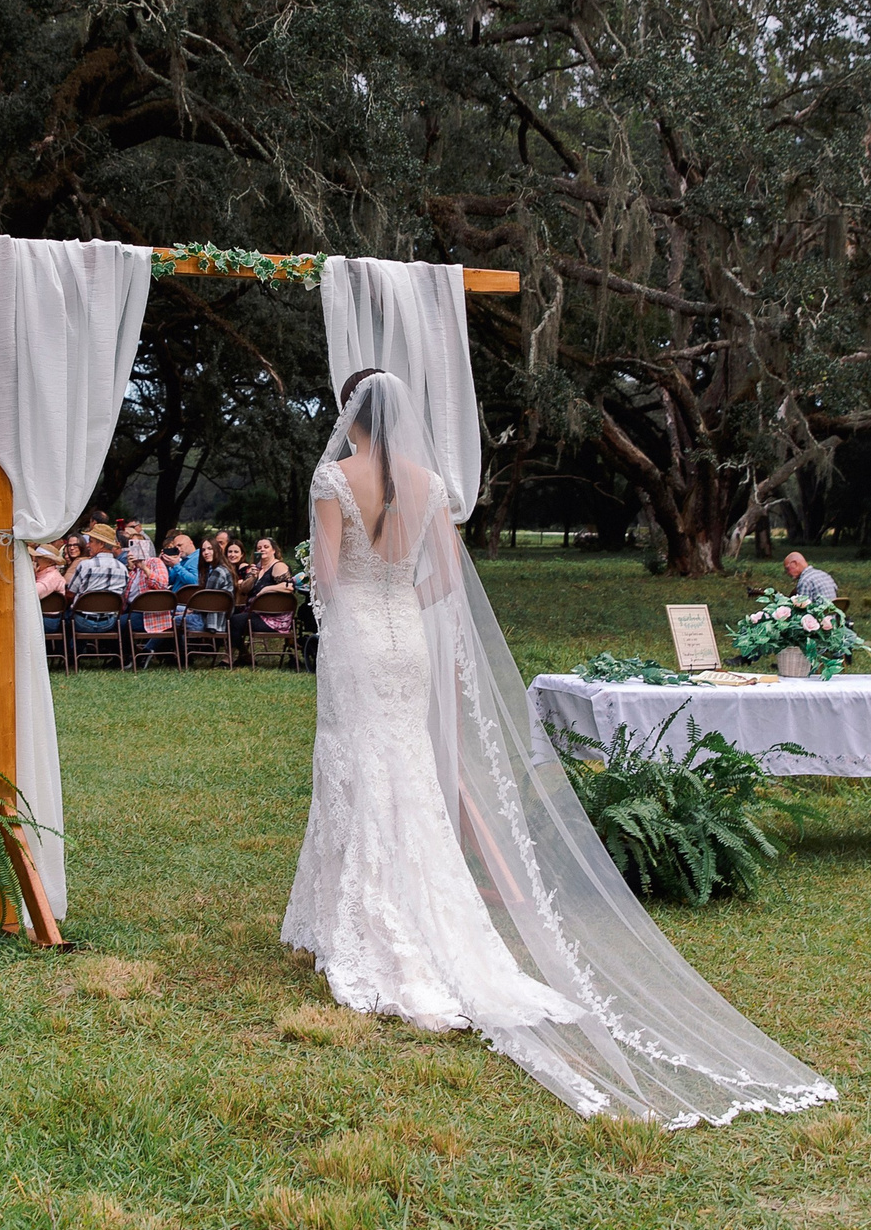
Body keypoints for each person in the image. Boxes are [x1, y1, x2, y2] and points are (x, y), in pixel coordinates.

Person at [290, 365, 833, 1124]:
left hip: (356, 639)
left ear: (353, 417)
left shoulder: (333, 479)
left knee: (356, 764)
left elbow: (323, 579)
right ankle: (398, 913)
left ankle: (364, 921)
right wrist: (399, 595)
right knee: (406, 768)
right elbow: (444, 580)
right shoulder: (427, 482)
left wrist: (351, 595)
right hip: (408, 639)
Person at [66, 523, 128, 632]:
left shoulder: (85, 565)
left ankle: (74, 648)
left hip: (82, 622)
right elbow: (122, 598)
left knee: (63, 619)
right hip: (109, 623)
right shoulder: (123, 569)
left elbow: (70, 594)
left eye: (91, 541)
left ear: (101, 544)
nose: (88, 545)